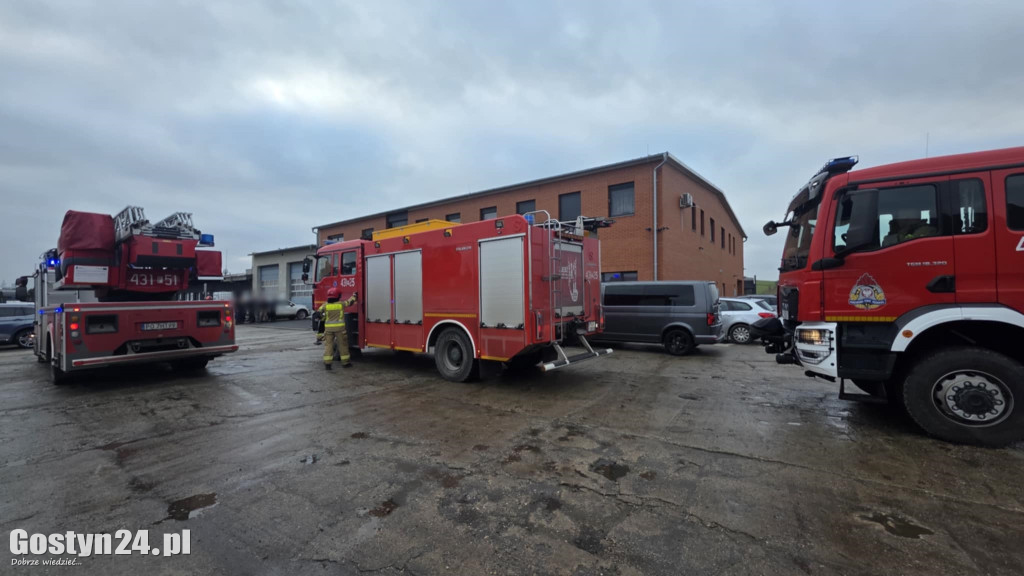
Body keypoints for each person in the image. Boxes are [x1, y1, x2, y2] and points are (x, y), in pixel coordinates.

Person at [318, 288, 358, 370]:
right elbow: (350, 302)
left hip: (328, 330)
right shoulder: (341, 304)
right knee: (342, 345)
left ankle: (327, 364)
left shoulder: (325, 305)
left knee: (328, 346)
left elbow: (318, 314)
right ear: (338, 296)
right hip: (340, 329)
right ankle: (345, 363)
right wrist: (354, 296)